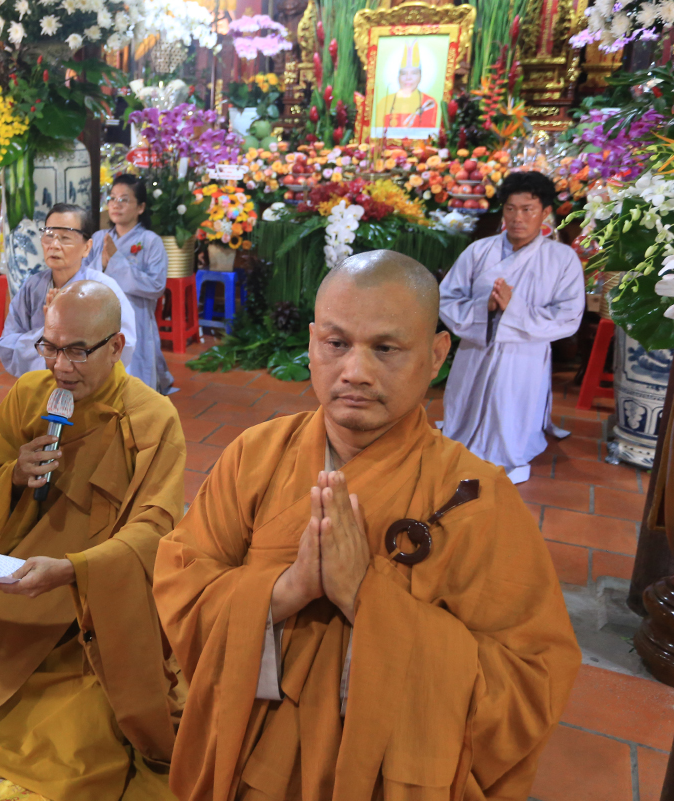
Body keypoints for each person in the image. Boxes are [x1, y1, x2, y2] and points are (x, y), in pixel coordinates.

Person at [154, 250, 579, 801]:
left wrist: (364, 597)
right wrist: (285, 591)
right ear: (312, 344)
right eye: (337, 344)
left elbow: (530, 682)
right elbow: (183, 583)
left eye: (385, 348)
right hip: (246, 757)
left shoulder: (477, 498)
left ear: (436, 355)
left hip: (383, 777)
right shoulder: (255, 455)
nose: (355, 371)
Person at [0, 280, 187, 800]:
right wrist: (15, 475)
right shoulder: (30, 395)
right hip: (23, 572)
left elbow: (155, 529)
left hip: (97, 599)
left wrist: (75, 570)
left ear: (116, 347)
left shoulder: (152, 420)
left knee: (80, 751)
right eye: (50, 347)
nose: (60, 366)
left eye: (77, 351)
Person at [439, 171, 585, 484]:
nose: (518, 218)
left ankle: (510, 448)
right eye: (510, 209)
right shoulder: (478, 251)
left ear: (545, 212)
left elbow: (569, 316)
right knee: (462, 419)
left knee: (511, 419)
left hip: (525, 358)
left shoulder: (562, 259)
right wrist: (486, 307)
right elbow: (447, 298)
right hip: (476, 350)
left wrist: (513, 308)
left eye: (528, 209)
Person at [0, 203, 137, 377]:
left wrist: (63, 328)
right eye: (49, 236)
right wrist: (47, 332)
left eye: (65, 237)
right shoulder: (32, 287)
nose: (54, 245)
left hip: (91, 387)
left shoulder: (104, 288)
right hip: (43, 384)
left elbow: (124, 346)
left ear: (87, 247)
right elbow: (7, 345)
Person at [84, 174, 173, 394]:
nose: (116, 205)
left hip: (136, 316)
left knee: (135, 380)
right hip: (99, 315)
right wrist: (103, 263)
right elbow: (83, 276)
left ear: (140, 207)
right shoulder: (99, 237)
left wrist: (115, 262)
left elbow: (156, 286)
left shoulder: (151, 241)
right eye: (112, 198)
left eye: (124, 199)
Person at [372, 41, 439, 131]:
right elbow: (377, 133)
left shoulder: (429, 103)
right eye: (403, 73)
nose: (408, 78)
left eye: (414, 73)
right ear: (398, 77)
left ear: (420, 77)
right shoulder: (384, 102)